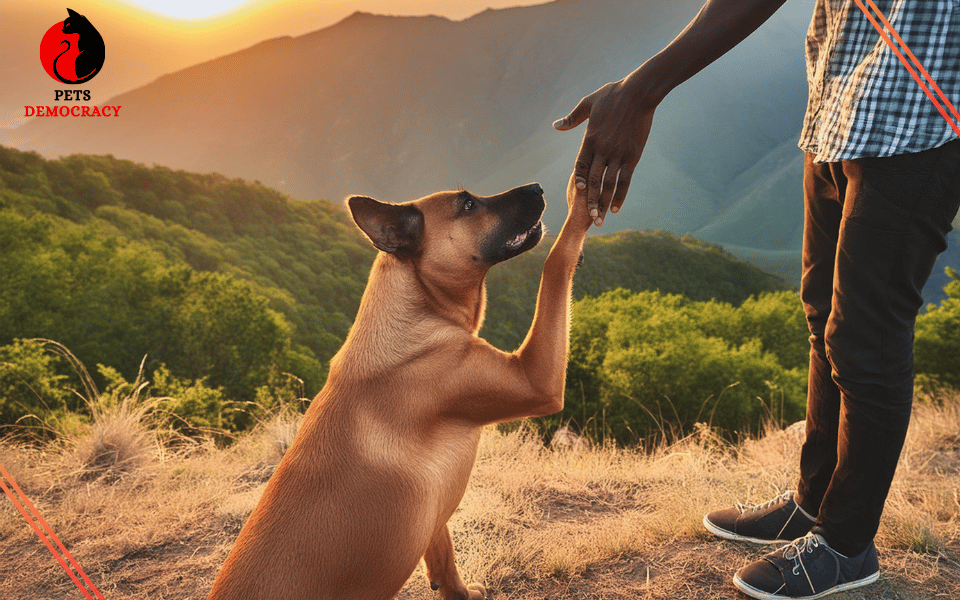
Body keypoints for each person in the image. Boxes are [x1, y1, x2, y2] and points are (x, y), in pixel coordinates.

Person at [553, 1, 960, 598]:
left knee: (865, 336)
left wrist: (642, 90)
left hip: (927, 115)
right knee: (822, 312)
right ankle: (811, 501)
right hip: (844, 96)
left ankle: (847, 545)